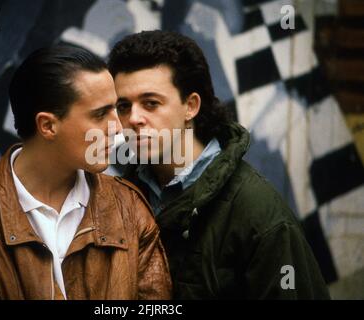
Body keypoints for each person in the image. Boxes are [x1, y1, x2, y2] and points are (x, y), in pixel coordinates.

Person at [0, 45, 172, 300]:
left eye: (115, 108)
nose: (118, 127)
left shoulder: (129, 210)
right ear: (47, 125)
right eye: (100, 114)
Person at [108, 30, 330, 299]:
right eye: (123, 106)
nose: (134, 118)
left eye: (151, 103)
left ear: (190, 106)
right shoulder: (121, 197)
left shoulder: (256, 209)